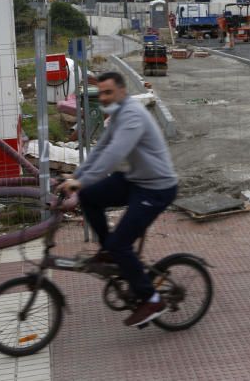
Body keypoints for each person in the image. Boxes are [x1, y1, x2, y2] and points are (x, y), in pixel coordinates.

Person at [60, 71, 178, 328]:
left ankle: (152, 298)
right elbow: (101, 148)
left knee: (121, 243)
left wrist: (81, 181)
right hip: (137, 180)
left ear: (122, 91)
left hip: (157, 188)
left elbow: (114, 154)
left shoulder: (133, 115)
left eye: (108, 92)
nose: (103, 97)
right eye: (101, 93)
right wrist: (77, 177)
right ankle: (109, 252)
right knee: (89, 196)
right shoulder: (117, 116)